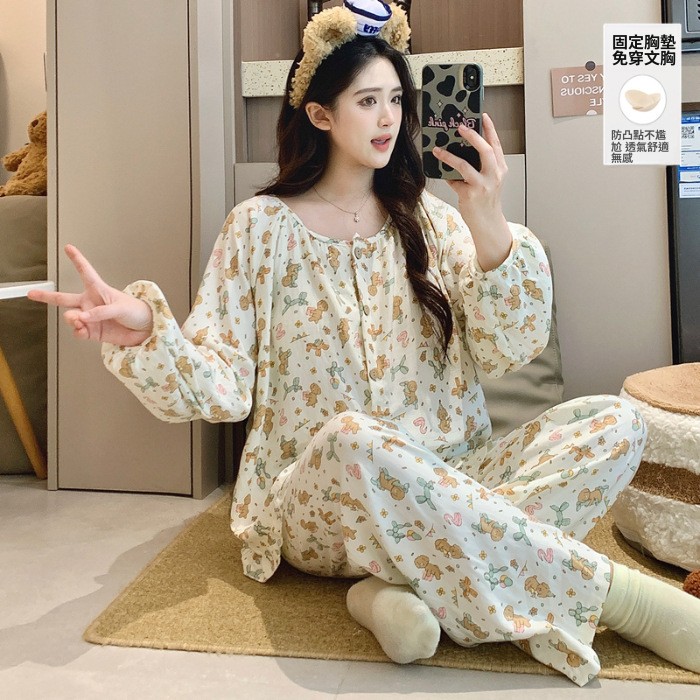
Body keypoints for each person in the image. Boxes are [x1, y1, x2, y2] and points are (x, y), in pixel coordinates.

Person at [30, 0, 700, 686]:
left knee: (617, 422)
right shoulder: (258, 228)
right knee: (355, 436)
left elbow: (509, 346)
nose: (389, 119)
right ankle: (626, 600)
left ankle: (395, 590)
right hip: (322, 497)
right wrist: (149, 331)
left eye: (397, 100)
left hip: (451, 474)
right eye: (368, 101)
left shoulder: (434, 222)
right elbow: (223, 384)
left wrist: (489, 218)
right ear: (321, 115)